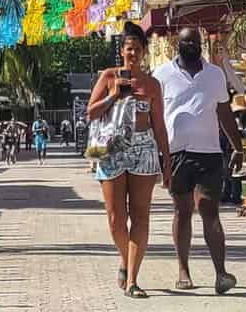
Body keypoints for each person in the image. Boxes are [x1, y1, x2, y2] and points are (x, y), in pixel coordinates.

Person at [154, 27, 241, 295]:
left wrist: (238, 147)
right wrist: (157, 154)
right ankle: (183, 271)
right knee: (182, 210)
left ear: (201, 44)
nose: (191, 45)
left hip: (210, 153)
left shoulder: (215, 74)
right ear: (176, 45)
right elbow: (155, 117)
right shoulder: (161, 75)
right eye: (186, 41)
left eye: (195, 41)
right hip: (176, 153)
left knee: (208, 208)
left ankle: (220, 273)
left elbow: (225, 112)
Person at [88, 21, 171, 299]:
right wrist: (113, 96)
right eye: (128, 49)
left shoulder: (152, 84)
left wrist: (166, 162)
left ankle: (133, 278)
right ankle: (125, 259)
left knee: (140, 215)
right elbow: (90, 113)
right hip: (111, 151)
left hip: (143, 150)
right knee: (115, 218)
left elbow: (159, 126)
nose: (132, 54)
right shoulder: (109, 77)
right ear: (121, 51)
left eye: (137, 49)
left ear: (144, 52)